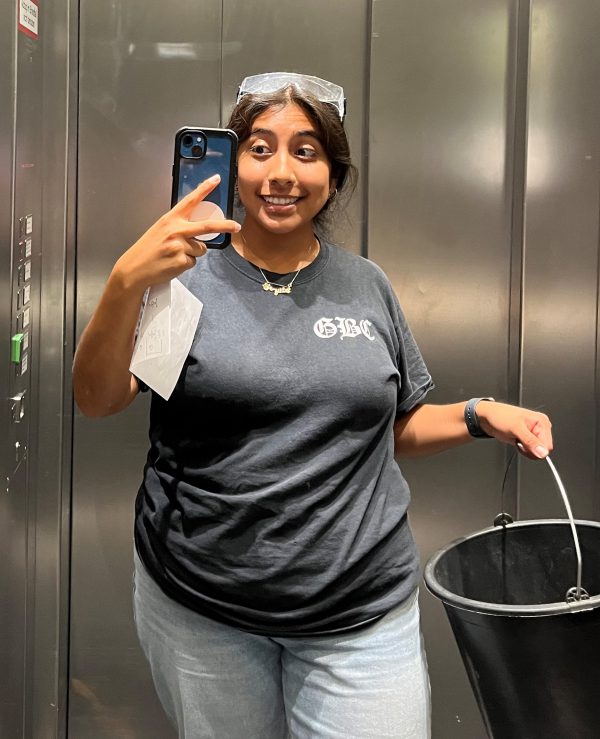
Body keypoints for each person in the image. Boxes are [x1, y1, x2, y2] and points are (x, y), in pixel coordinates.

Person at [73, 72, 553, 739]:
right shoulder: (182, 280)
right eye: (260, 147)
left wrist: (479, 413)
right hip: (205, 607)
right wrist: (125, 282)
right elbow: (97, 400)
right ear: (232, 163)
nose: (281, 172)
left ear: (333, 172)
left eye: (306, 151)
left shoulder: (364, 286)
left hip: (360, 612)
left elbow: (395, 424)